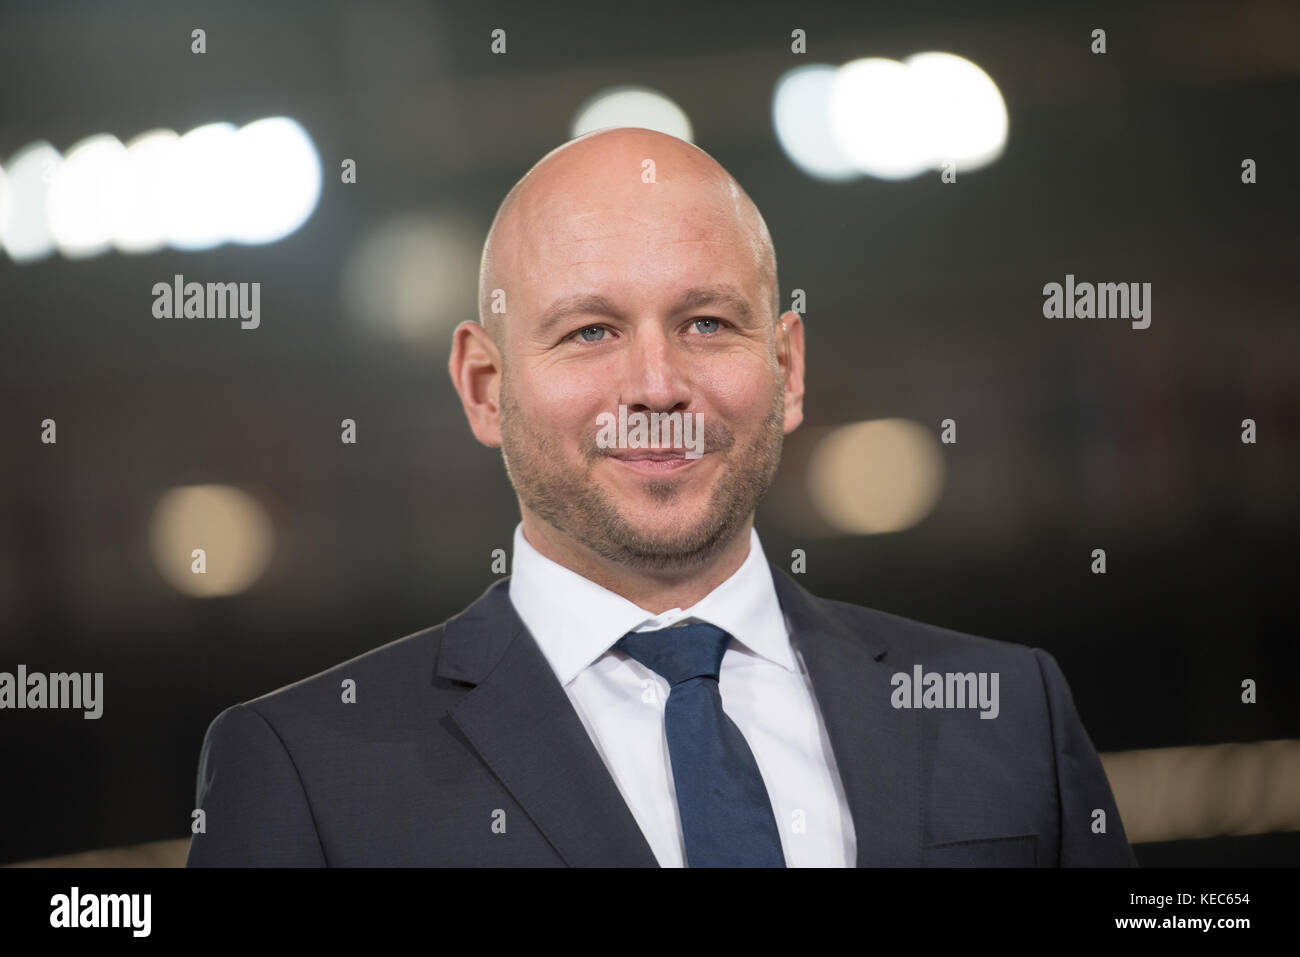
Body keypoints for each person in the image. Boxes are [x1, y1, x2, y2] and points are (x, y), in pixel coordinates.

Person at [187, 127, 1136, 867]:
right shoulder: (307, 770)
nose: (656, 385)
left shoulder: (1007, 713)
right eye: (591, 331)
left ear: (788, 365)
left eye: (708, 322)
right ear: (484, 386)